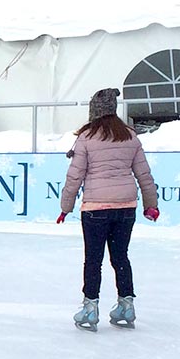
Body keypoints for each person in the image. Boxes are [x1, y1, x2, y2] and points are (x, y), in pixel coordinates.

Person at [58, 87, 159, 331]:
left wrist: (65, 207)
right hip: (125, 208)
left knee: (93, 259)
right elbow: (144, 175)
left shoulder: (86, 137)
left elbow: (74, 177)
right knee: (120, 256)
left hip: (96, 209)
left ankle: (90, 309)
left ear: (94, 111)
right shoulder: (130, 136)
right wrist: (151, 205)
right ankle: (126, 305)